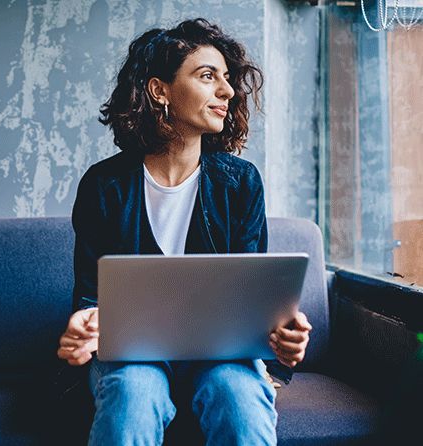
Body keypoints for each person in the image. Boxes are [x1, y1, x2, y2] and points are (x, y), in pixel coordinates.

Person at [56, 18, 312, 446]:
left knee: (240, 394)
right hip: (132, 356)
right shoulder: (104, 185)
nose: (227, 91)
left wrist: (280, 335)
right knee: (134, 391)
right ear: (160, 90)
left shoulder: (241, 182)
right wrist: (84, 328)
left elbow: (253, 296)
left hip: (222, 355)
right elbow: (90, 297)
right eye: (207, 76)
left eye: (227, 80)